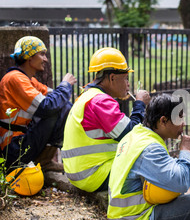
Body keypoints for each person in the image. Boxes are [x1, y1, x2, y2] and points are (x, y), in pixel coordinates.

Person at [61, 47, 151, 193]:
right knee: (150, 167)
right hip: (93, 174)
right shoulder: (100, 101)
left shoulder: (88, 95)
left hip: (79, 172)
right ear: (112, 78)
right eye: (126, 78)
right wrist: (140, 104)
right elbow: (130, 134)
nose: (128, 84)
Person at [0, 36, 76, 172]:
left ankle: (44, 161)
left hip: (21, 143)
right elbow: (48, 106)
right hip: (12, 149)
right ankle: (44, 162)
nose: (45, 59)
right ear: (29, 57)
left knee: (63, 105)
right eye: (42, 54)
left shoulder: (28, 80)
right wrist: (65, 84)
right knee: (60, 109)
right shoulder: (15, 79)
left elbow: (55, 96)